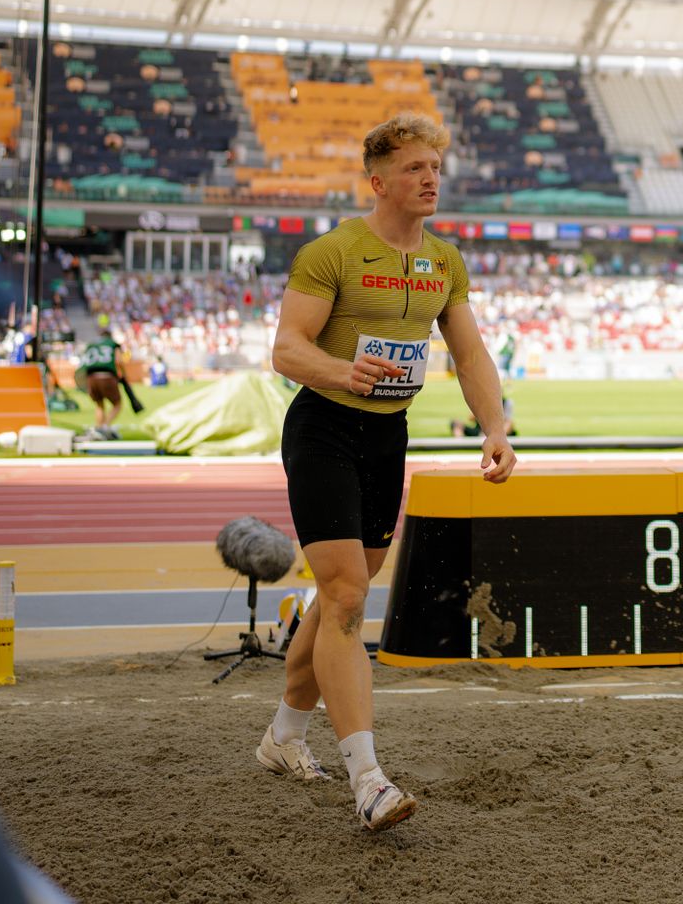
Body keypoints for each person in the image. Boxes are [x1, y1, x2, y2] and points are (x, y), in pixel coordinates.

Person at [261, 114, 517, 832]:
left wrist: (496, 428)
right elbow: (287, 349)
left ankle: (282, 736)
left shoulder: (444, 261)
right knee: (345, 596)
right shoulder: (333, 252)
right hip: (324, 429)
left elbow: (469, 356)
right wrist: (344, 370)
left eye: (435, 166)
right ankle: (368, 778)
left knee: (341, 594)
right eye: (413, 168)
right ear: (378, 181)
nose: (430, 178)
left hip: (387, 437)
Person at [74, 323, 130, 442]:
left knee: (99, 404)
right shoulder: (112, 344)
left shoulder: (92, 345)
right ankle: (104, 427)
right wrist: (123, 375)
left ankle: (98, 429)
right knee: (117, 404)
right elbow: (118, 361)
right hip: (106, 376)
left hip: (90, 377)